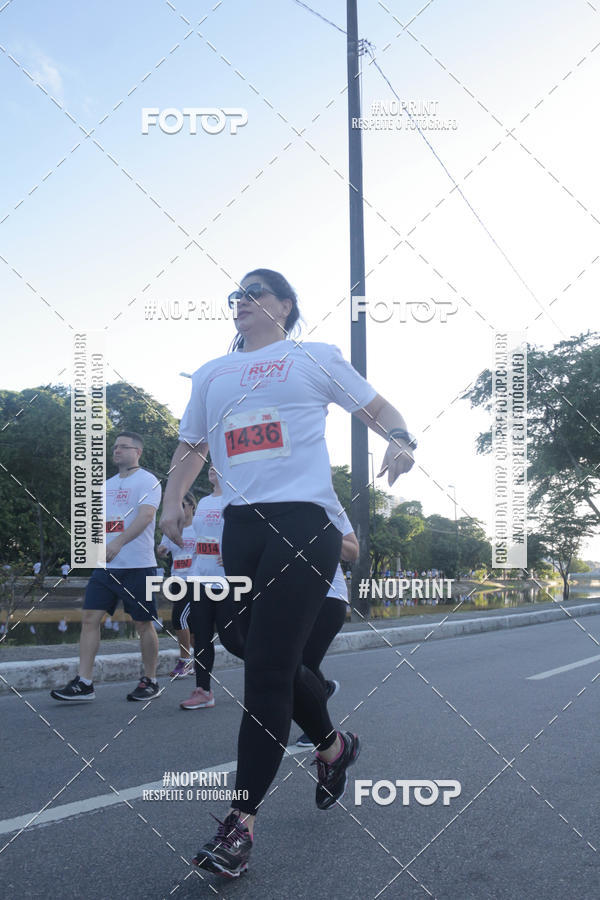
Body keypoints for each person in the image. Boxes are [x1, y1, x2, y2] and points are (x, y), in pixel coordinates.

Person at [160, 268, 416, 878]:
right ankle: (332, 745)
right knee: (245, 644)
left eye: (253, 294)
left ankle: (239, 827)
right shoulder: (211, 374)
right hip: (240, 528)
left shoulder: (313, 357)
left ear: (285, 305)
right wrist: (173, 500)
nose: (240, 303)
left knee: (268, 674)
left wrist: (401, 437)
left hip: (305, 523)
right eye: (234, 296)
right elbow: (192, 445)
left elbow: (378, 407)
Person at [51, 431, 162, 703]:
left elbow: (146, 516)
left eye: (123, 447)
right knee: (89, 619)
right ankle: (85, 682)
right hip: (105, 567)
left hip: (138, 565)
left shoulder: (148, 480)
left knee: (143, 624)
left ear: (138, 451)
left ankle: (150, 680)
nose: (117, 451)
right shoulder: (104, 485)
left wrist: (119, 543)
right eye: (114, 447)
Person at [296, 513, 358, 747]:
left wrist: (327, 535)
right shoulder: (278, 501)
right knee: (291, 666)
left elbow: (353, 551)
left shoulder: (331, 507)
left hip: (329, 598)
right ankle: (321, 689)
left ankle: (321, 732)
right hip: (294, 598)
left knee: (305, 664)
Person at [179, 467, 226, 710]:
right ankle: (203, 690)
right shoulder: (205, 501)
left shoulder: (236, 499)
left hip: (227, 581)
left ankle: (273, 680)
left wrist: (234, 554)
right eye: (210, 464)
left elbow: (248, 534)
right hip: (199, 578)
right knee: (202, 635)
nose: (211, 468)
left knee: (234, 639)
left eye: (219, 464)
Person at [156, 491, 200, 679]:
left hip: (194, 580)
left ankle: (185, 661)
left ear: (191, 506)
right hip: (176, 579)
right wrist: (161, 550)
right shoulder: (172, 528)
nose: (180, 510)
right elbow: (162, 551)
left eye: (183, 505)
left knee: (178, 619)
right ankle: (200, 659)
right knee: (191, 624)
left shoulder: (199, 527)